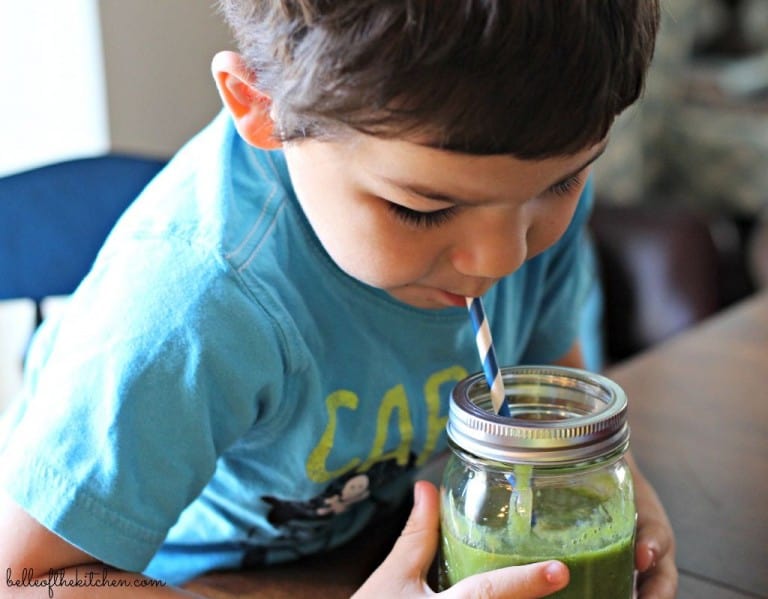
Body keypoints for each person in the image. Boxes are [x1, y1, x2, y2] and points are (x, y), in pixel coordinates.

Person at [0, 1, 677, 597]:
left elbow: (551, 393)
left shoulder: (520, 186)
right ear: (259, 105)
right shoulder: (193, 305)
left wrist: (615, 478)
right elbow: (25, 577)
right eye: (422, 208)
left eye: (561, 184)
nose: (502, 257)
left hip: (361, 550)